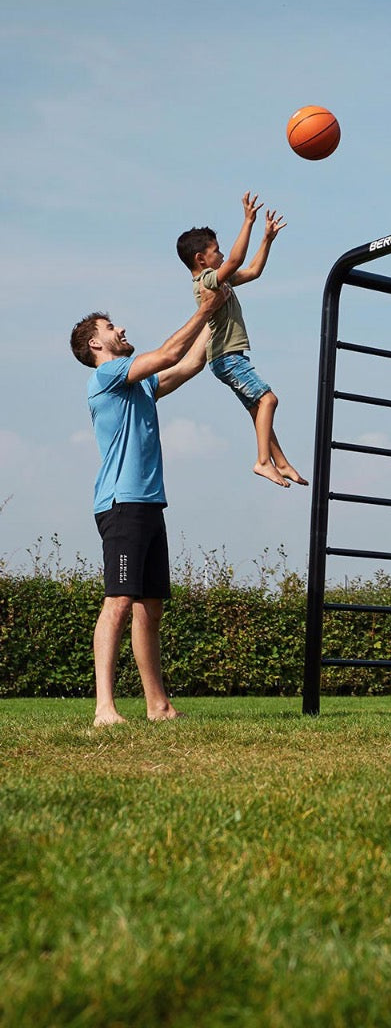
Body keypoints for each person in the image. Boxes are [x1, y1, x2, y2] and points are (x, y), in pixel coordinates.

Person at [70, 286, 230, 727]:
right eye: (110, 327)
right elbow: (168, 353)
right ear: (95, 343)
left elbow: (189, 363)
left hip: (148, 504)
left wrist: (219, 309)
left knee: (150, 607)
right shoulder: (107, 375)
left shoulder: (137, 385)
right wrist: (205, 308)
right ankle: (104, 708)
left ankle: (157, 706)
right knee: (119, 601)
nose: (120, 329)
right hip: (121, 504)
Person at [176, 191, 307, 488]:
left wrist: (267, 240)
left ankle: (280, 462)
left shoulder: (218, 279)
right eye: (216, 251)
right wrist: (248, 221)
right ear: (201, 259)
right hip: (227, 356)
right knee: (268, 400)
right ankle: (263, 461)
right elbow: (236, 260)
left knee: (257, 409)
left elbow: (254, 270)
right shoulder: (206, 281)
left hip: (230, 357)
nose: (222, 255)